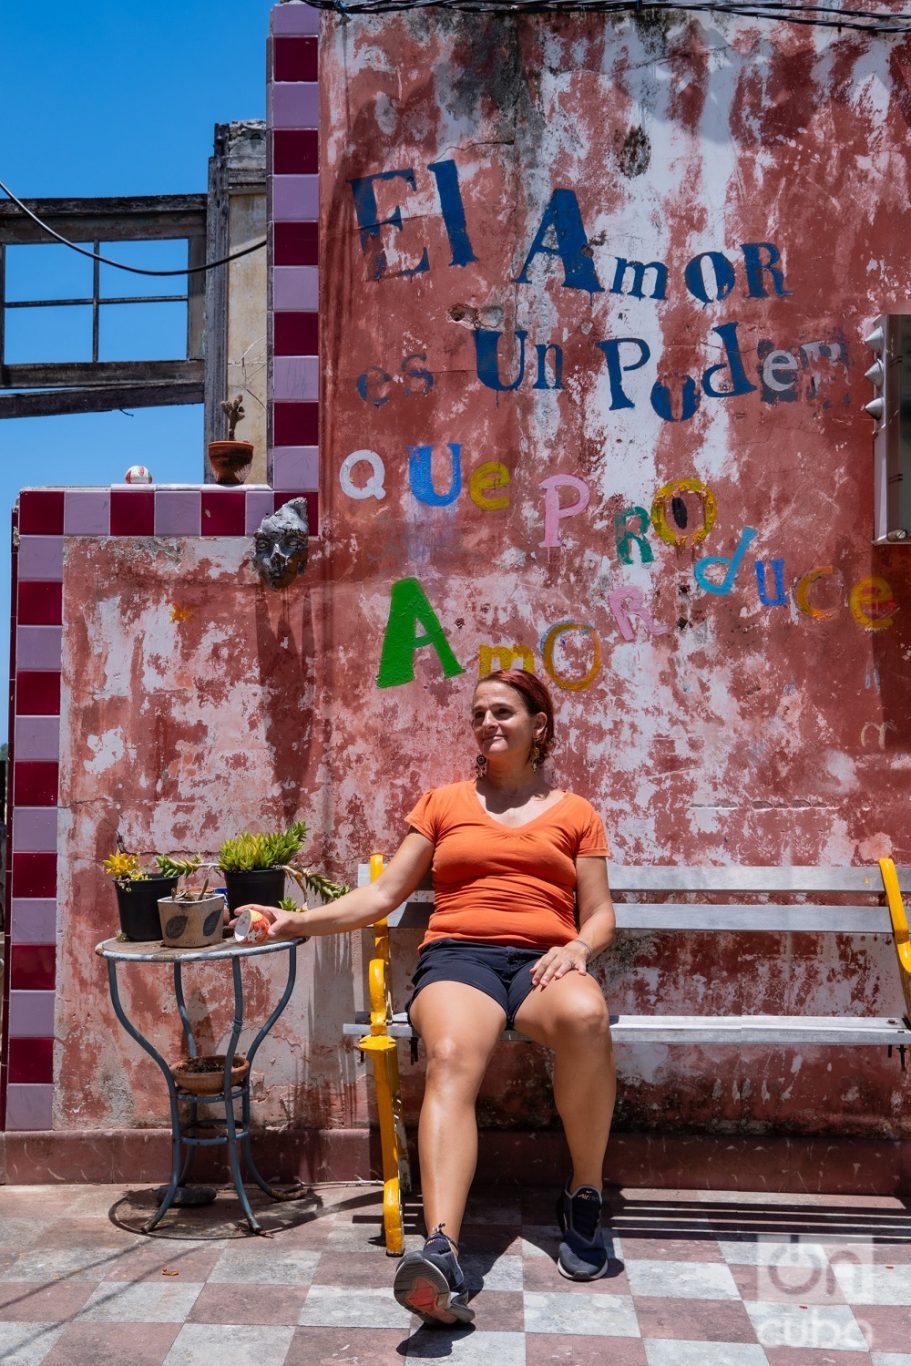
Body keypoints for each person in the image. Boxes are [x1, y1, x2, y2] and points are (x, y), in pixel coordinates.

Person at [238, 669, 617, 1326]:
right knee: (447, 1053)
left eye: (502, 711)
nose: (487, 723)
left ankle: (582, 1195)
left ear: (539, 726)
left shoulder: (576, 813)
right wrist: (296, 920)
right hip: (459, 960)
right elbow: (383, 896)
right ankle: (441, 1251)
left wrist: (580, 948)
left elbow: (601, 912)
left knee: (586, 1016)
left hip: (543, 963)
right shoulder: (442, 803)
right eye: (477, 714)